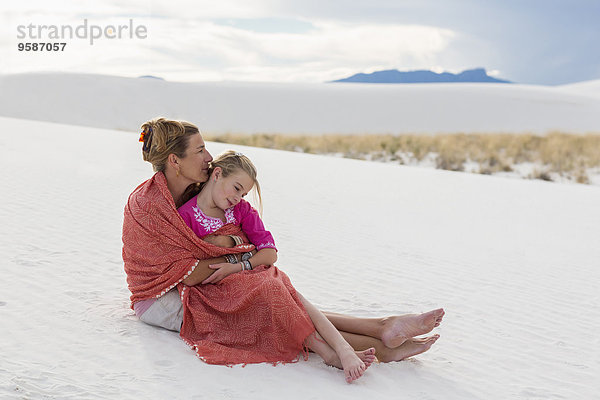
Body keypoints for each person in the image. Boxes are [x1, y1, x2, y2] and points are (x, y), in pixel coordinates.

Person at [122, 118, 444, 372]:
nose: (208, 157)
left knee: (273, 292)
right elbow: (188, 272)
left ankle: (383, 328)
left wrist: (234, 247)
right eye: (200, 150)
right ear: (175, 161)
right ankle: (383, 344)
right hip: (164, 298)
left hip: (199, 281)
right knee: (268, 302)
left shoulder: (195, 190)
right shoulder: (149, 204)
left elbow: (226, 241)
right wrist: (242, 254)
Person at [177, 149, 377, 382]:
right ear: (217, 174)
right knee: (277, 288)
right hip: (215, 290)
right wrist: (237, 248)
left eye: (244, 193)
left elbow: (269, 254)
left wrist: (238, 264)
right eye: (237, 188)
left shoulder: (241, 211)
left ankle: (339, 350)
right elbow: (190, 262)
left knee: (277, 283)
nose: (238, 198)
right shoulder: (185, 216)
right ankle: (336, 351)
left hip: (251, 274)